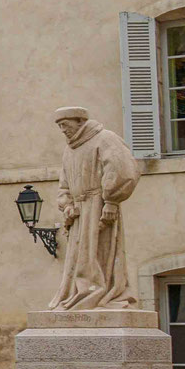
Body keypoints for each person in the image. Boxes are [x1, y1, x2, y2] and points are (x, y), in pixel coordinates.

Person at [49, 106, 141, 311]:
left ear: (80, 121)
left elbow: (124, 170)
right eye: (60, 126)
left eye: (65, 125)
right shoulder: (69, 150)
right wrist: (68, 205)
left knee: (100, 251)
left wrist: (111, 201)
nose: (63, 130)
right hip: (79, 211)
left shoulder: (105, 139)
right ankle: (80, 295)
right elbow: (64, 185)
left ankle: (102, 295)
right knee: (78, 259)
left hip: (98, 204)